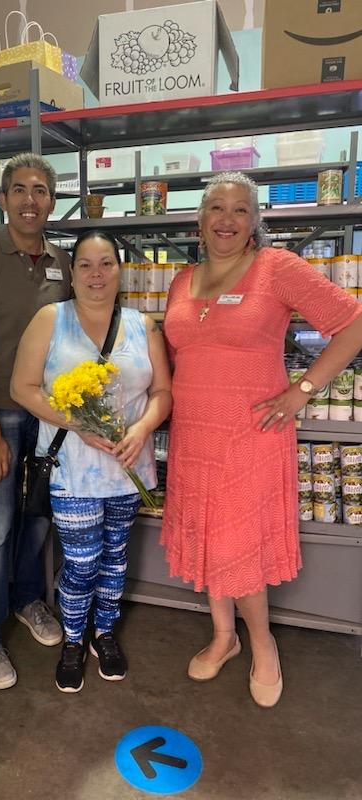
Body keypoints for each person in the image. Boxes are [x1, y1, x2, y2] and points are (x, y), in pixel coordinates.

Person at [161, 171, 362, 707]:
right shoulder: (183, 280)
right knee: (211, 538)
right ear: (199, 221)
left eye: (239, 210)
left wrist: (303, 390)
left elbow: (355, 323)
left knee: (239, 543)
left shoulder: (277, 268)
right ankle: (224, 637)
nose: (227, 220)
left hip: (251, 431)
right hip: (193, 435)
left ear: (254, 222)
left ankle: (262, 641)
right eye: (216, 209)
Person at [11, 230, 172, 692]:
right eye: (85, 264)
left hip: (129, 467)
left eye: (106, 264)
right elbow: (22, 388)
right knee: (82, 562)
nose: (96, 274)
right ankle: (74, 638)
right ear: (72, 272)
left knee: (115, 559)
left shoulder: (144, 326)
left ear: (120, 270)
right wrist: (77, 423)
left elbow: (163, 391)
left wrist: (142, 431)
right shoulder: (50, 319)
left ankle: (105, 633)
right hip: (72, 470)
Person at [0, 153, 72, 690]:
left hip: (49, 414)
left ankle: (27, 600)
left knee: (40, 515)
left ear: (51, 200)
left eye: (41, 190)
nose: (31, 200)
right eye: (20, 190)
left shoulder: (63, 261)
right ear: (2, 200)